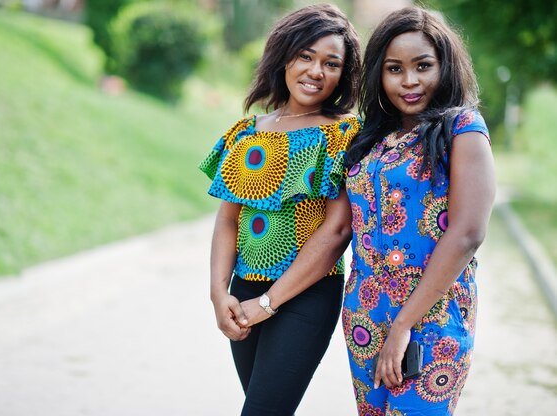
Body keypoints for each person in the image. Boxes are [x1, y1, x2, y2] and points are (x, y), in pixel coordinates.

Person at [198, 4, 361, 415]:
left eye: (331, 63)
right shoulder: (248, 132)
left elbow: (338, 232)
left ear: (343, 75)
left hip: (306, 294)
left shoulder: (344, 134)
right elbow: (229, 220)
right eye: (305, 55)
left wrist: (270, 302)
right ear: (284, 55)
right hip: (244, 290)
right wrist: (219, 293)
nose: (316, 71)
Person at [342, 6, 495, 415]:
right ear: (379, 73)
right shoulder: (372, 139)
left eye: (423, 66)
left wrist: (403, 325)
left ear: (444, 67)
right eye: (395, 69)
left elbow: (467, 233)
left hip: (432, 315)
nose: (409, 81)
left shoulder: (463, 128)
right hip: (365, 313)